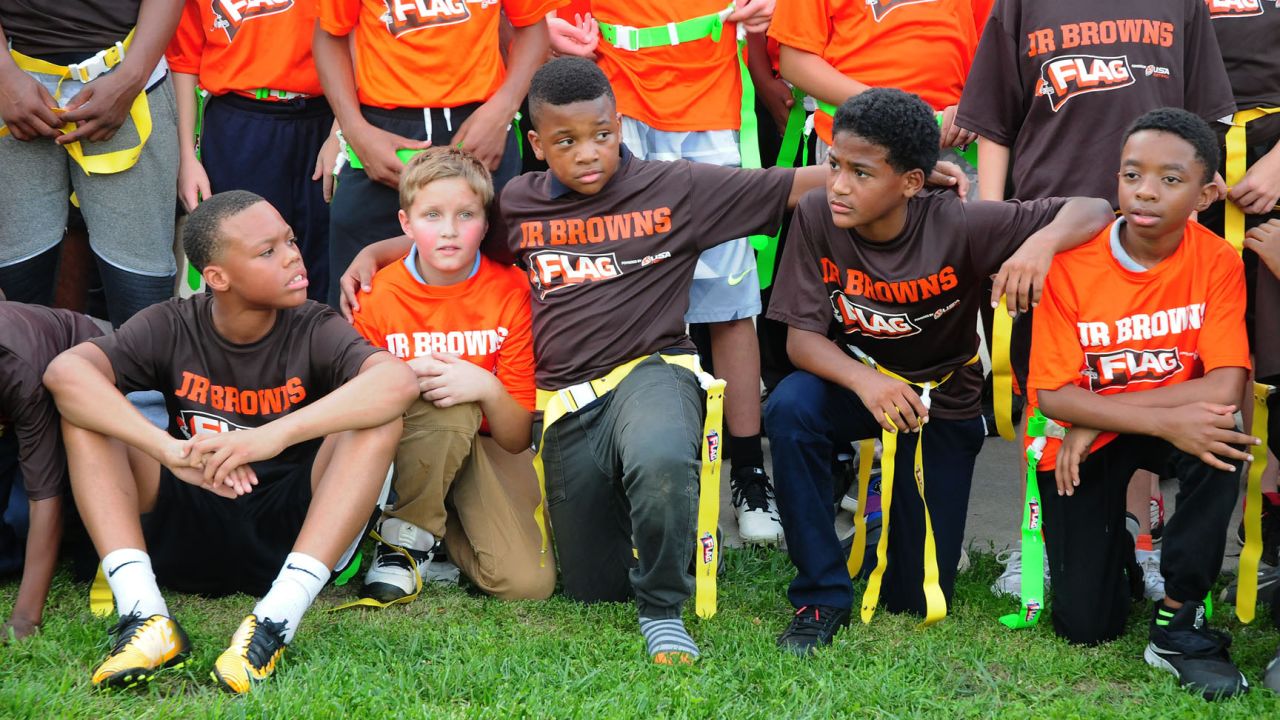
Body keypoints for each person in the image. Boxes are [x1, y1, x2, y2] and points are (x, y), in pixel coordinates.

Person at [763, 88, 1112, 655]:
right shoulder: (816, 216)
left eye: (860, 172)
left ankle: (887, 529)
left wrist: (1040, 244)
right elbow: (801, 340)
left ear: (910, 182)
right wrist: (868, 381)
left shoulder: (960, 223)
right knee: (790, 406)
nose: (839, 184)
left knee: (916, 596)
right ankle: (820, 595)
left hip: (942, 400)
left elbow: (1095, 208)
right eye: (834, 165)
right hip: (859, 384)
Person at [43, 191, 418, 693]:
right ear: (217, 277)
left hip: (286, 532)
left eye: (289, 240)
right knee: (87, 413)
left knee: (376, 418)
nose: (292, 255)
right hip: (187, 510)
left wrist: (267, 438)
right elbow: (65, 373)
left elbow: (398, 383)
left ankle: (273, 623)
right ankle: (145, 617)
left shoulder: (315, 325)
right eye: (267, 252)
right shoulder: (172, 323)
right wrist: (169, 453)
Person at [954, 0, 1238, 600]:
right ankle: (1039, 537)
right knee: (1047, 394)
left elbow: (1206, 121)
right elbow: (996, 123)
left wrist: (1186, 200)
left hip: (1155, 233)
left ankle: (1138, 539)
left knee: (1143, 359)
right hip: (1046, 230)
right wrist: (1000, 225)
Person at [1029, 108, 1255, 699]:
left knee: (1220, 433)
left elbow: (1226, 385)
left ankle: (1180, 622)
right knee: (1086, 627)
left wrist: (1093, 410)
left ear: (1207, 193)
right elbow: (1052, 393)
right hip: (1092, 438)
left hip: (1144, 422)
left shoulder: (1218, 262)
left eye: (1170, 179)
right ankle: (1117, 559)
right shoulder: (1070, 266)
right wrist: (1077, 415)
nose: (1146, 191)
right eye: (1132, 175)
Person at [350, 148, 552, 603]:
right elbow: (355, 410)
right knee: (443, 395)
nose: (448, 230)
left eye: (466, 215)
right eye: (432, 215)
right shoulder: (374, 297)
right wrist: (406, 380)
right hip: (403, 446)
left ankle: (442, 529)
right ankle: (405, 540)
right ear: (405, 223)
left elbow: (517, 435)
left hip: (488, 444)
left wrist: (484, 385)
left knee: (526, 585)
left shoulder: (513, 290)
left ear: (486, 223)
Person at [313, 0, 557, 307]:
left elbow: (533, 26)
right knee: (359, 293)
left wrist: (504, 107)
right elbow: (329, 35)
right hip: (383, 136)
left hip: (482, 128)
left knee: (490, 285)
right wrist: (354, 129)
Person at [0, 0, 182, 326]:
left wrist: (130, 79)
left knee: (142, 292)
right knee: (16, 290)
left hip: (130, 75)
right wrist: (3, 75)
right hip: (13, 79)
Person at [167, 0, 338, 302]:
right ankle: (243, 349)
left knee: (323, 257)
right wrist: (187, 156)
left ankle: (319, 347)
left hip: (323, 115)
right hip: (239, 120)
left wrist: (339, 131)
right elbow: (185, 61)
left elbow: (354, 39)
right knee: (241, 253)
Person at [0, 298, 102, 642]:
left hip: (72, 372)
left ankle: (88, 543)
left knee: (24, 519)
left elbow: (44, 495)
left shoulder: (20, 372)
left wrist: (24, 618)